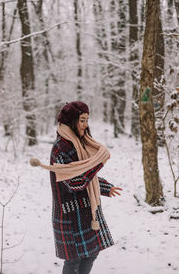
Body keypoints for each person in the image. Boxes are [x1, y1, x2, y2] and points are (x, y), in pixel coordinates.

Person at [30, 101, 122, 274]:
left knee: (91, 254)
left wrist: (105, 187)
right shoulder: (60, 148)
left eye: (87, 120)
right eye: (82, 120)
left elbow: (88, 175)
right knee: (73, 260)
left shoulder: (82, 142)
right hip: (70, 213)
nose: (86, 125)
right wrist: (99, 162)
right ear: (72, 121)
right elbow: (72, 182)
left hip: (88, 210)